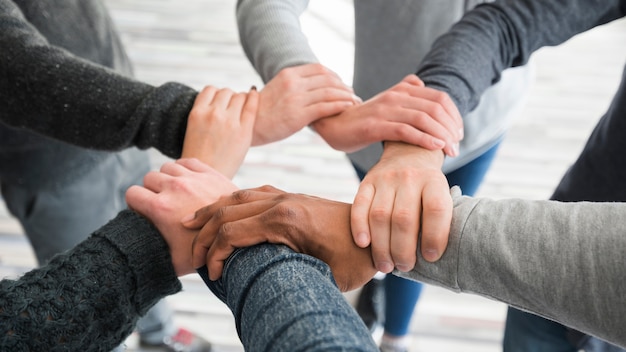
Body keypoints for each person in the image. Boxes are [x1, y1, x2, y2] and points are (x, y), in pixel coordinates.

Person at [230, 0, 626, 350]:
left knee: (401, 229)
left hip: (482, 123)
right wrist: (318, 99)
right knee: (395, 221)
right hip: (383, 119)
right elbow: (506, 20)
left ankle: (395, 336)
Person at [0, 0, 355, 350]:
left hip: (119, 116)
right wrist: (183, 119)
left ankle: (158, 334)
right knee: (82, 297)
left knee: (149, 210)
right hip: (47, 162)